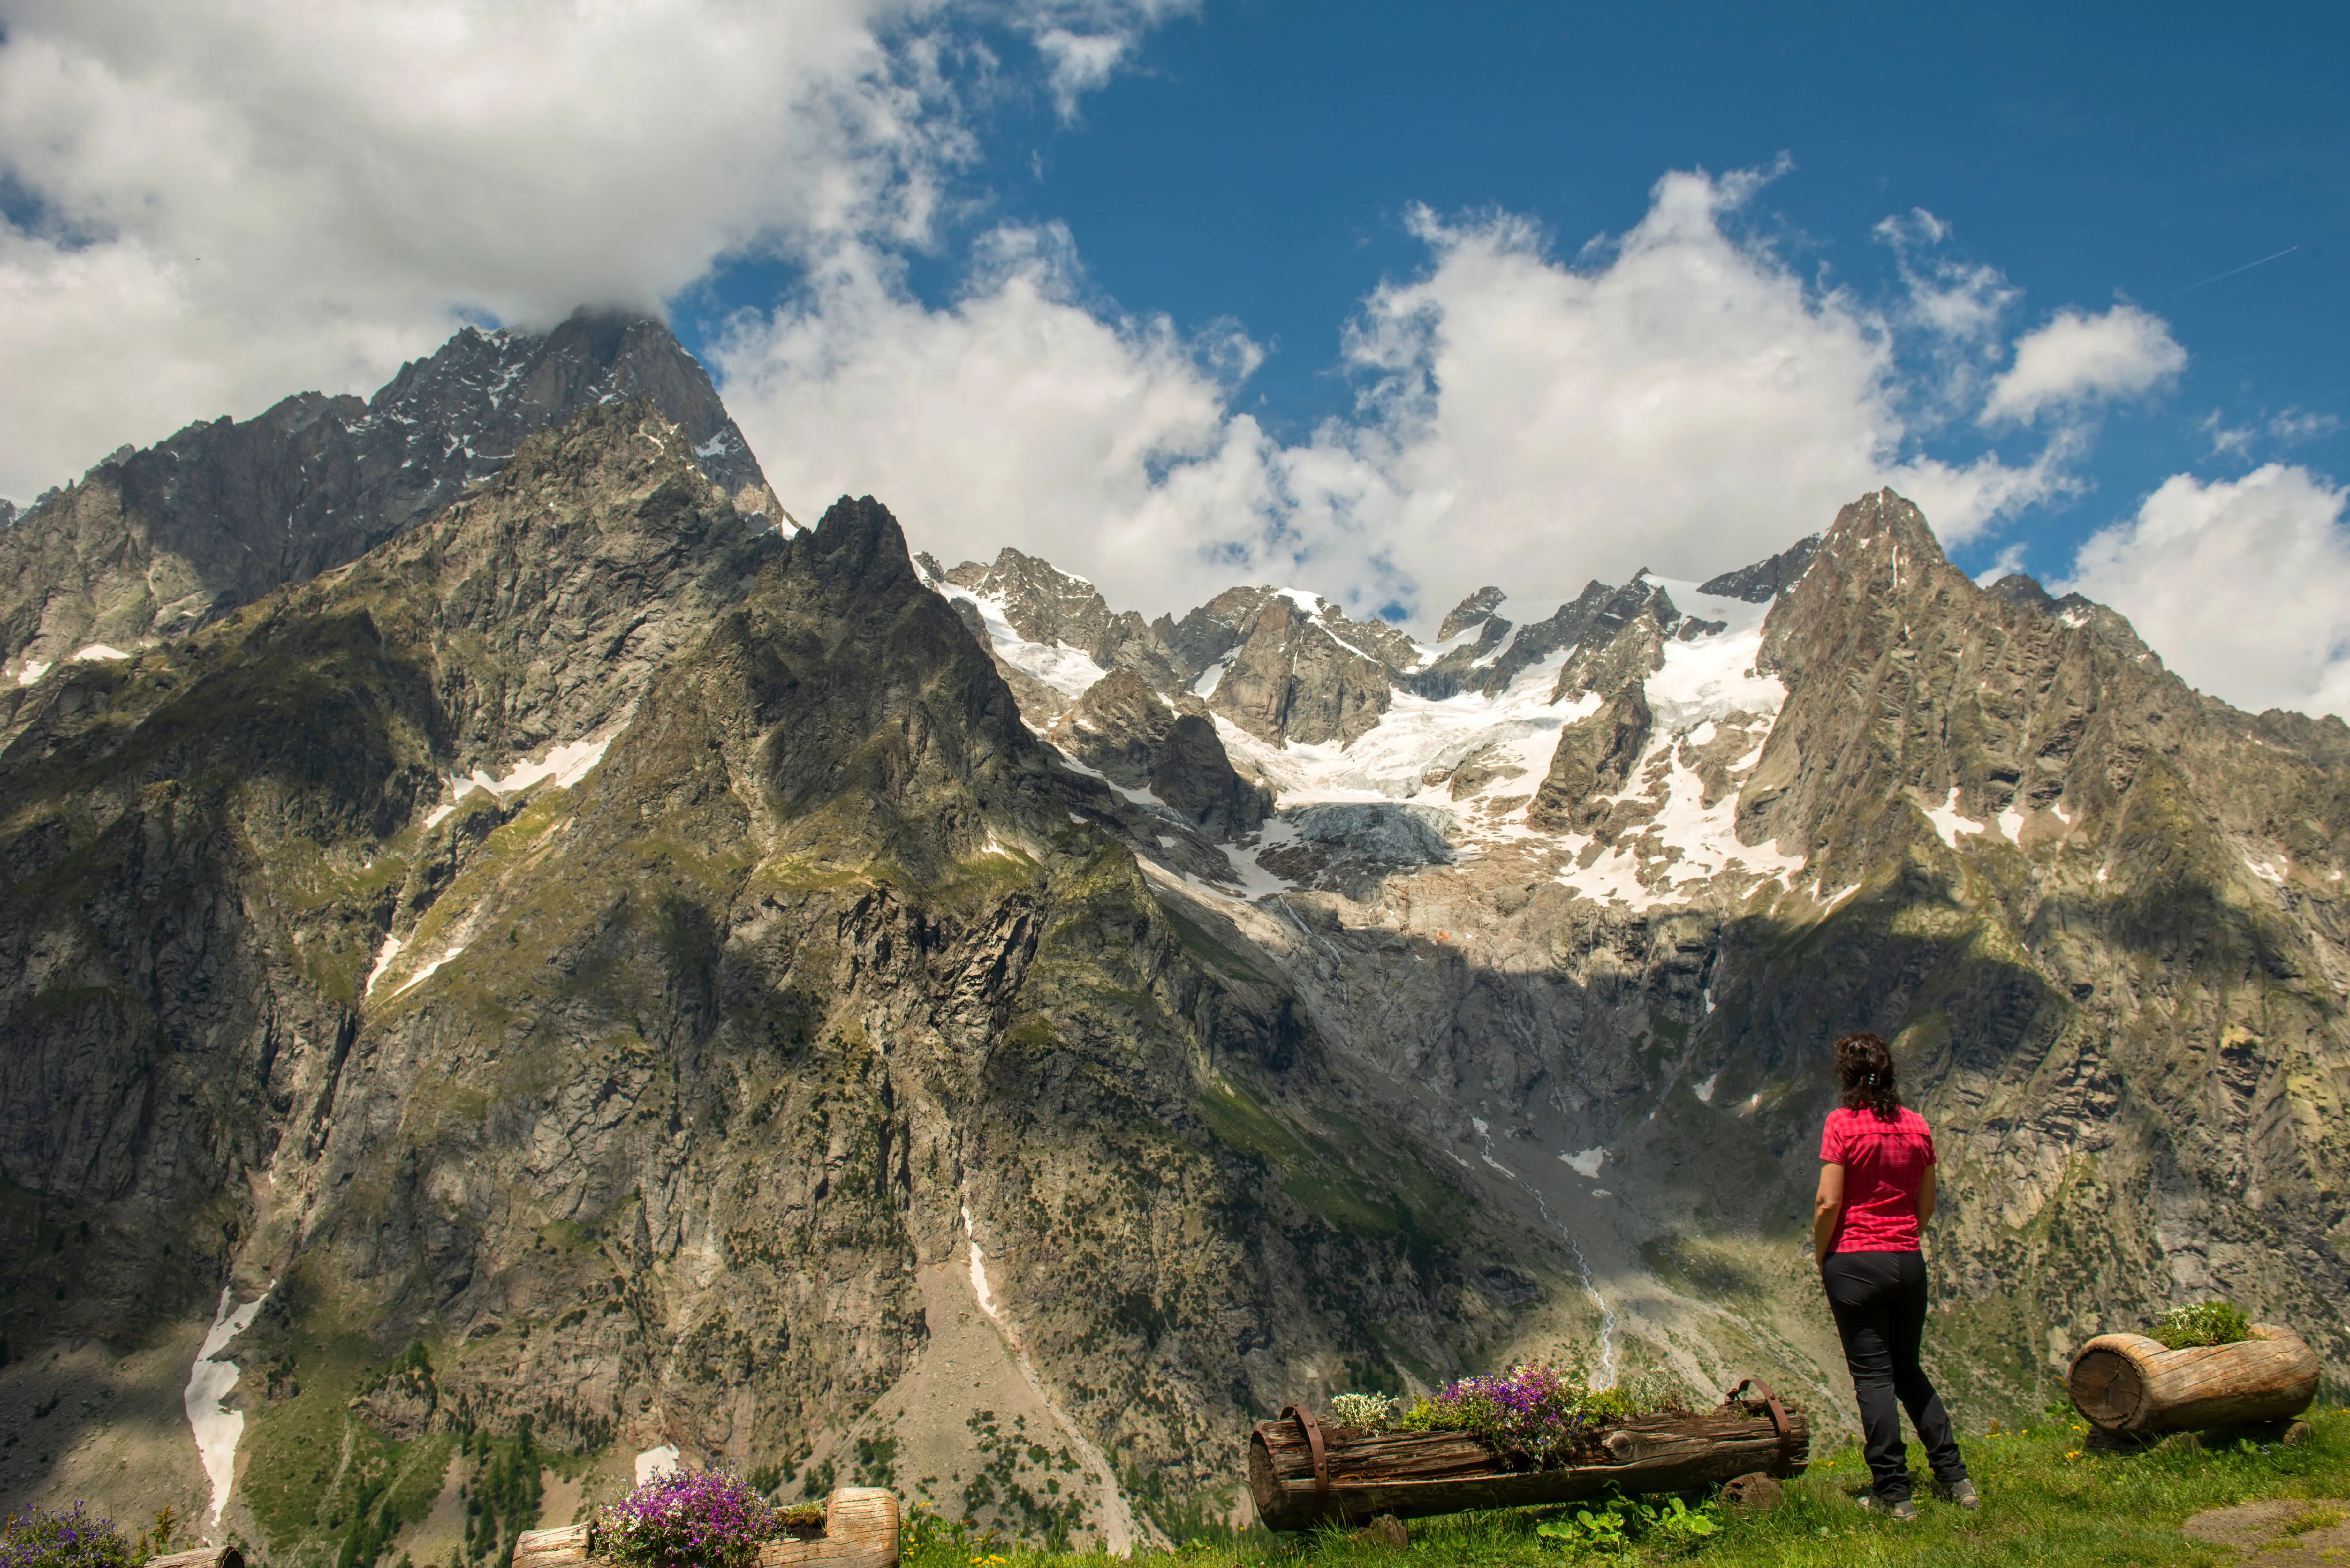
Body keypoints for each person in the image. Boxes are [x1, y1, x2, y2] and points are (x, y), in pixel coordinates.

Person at [1814, 1031, 1977, 1519]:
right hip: (1907, 1259)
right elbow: (1925, 1204)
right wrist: (1904, 1238)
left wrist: (1825, 1256)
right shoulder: (1918, 1126)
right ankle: (1955, 1478)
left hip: (1855, 1259)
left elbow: (1828, 1201)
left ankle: (1893, 1493)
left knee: (1874, 1379)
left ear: (1846, 1076)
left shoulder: (1842, 1124)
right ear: (1890, 1074)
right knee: (1909, 1370)